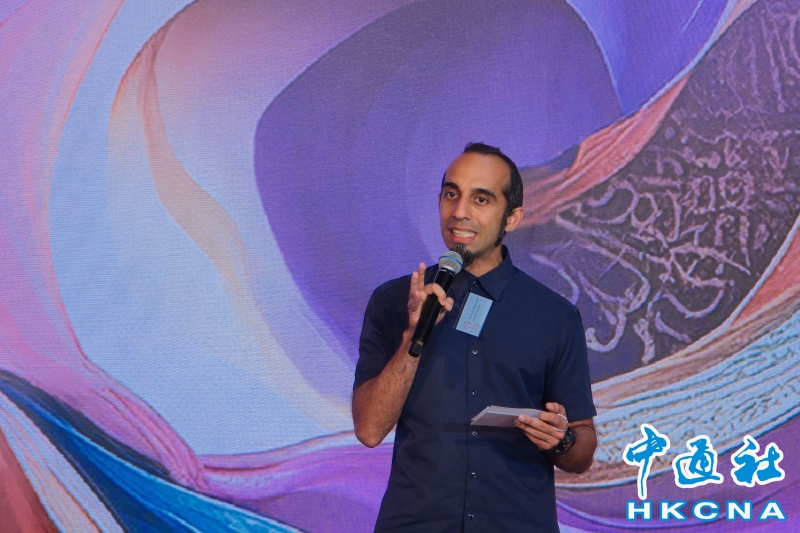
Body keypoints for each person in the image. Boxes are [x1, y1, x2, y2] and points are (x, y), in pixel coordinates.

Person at [352, 142, 597, 532]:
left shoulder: (554, 316)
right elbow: (369, 430)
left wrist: (562, 440)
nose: (460, 211)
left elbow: (582, 448)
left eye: (481, 199)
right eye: (452, 194)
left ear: (512, 218)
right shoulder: (394, 301)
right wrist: (413, 337)